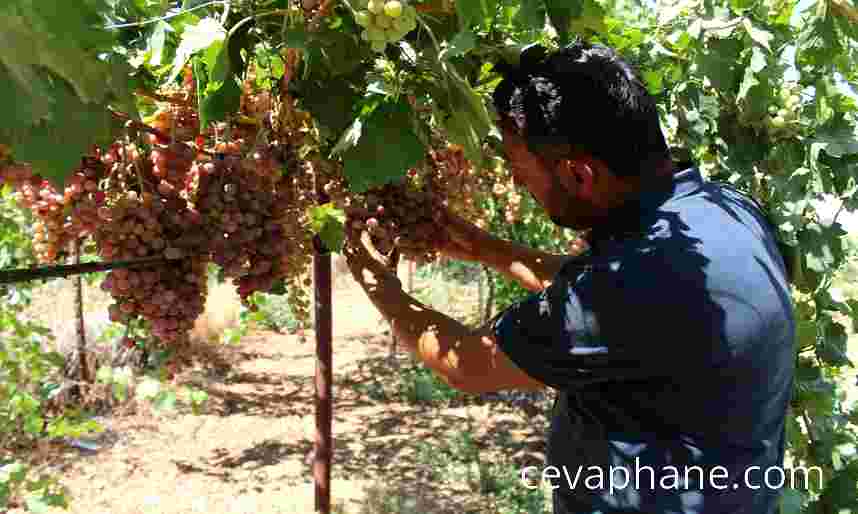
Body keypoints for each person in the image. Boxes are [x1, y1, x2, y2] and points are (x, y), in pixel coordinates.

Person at [344, 40, 796, 514]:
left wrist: (379, 282)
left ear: (579, 175)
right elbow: (618, 298)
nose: (517, 183)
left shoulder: (627, 286)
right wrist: (481, 247)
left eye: (520, 170)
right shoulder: (721, 213)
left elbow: (468, 365)